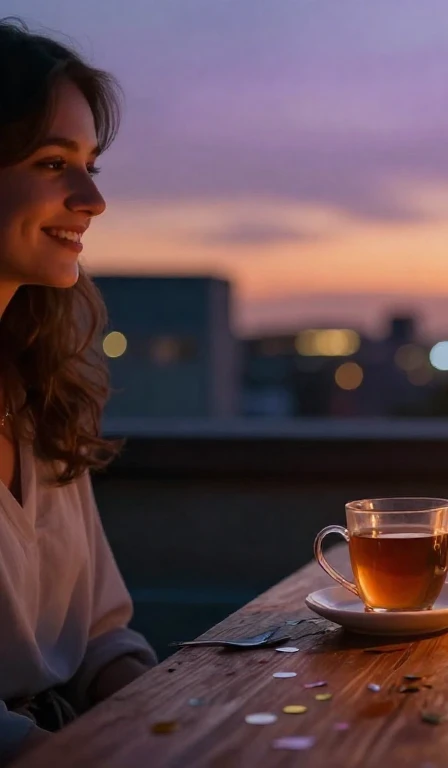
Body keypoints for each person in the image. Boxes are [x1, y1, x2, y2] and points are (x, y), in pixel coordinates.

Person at [0, 18, 156, 764]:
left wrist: (172, 710)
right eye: (53, 161)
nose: (91, 198)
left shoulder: (36, 392)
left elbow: (98, 629)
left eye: (91, 164)